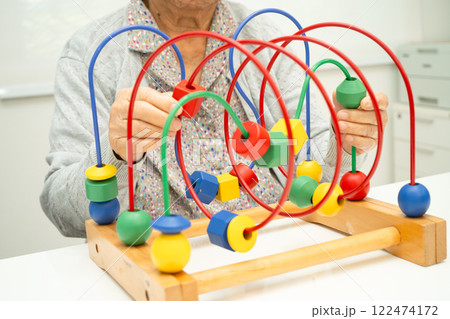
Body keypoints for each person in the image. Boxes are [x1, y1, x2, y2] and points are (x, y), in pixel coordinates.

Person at [40, 0, 388, 238]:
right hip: (159, 279)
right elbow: (61, 209)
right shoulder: (90, 53)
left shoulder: (265, 37)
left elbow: (318, 183)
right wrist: (113, 154)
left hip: (274, 256)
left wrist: (348, 141)